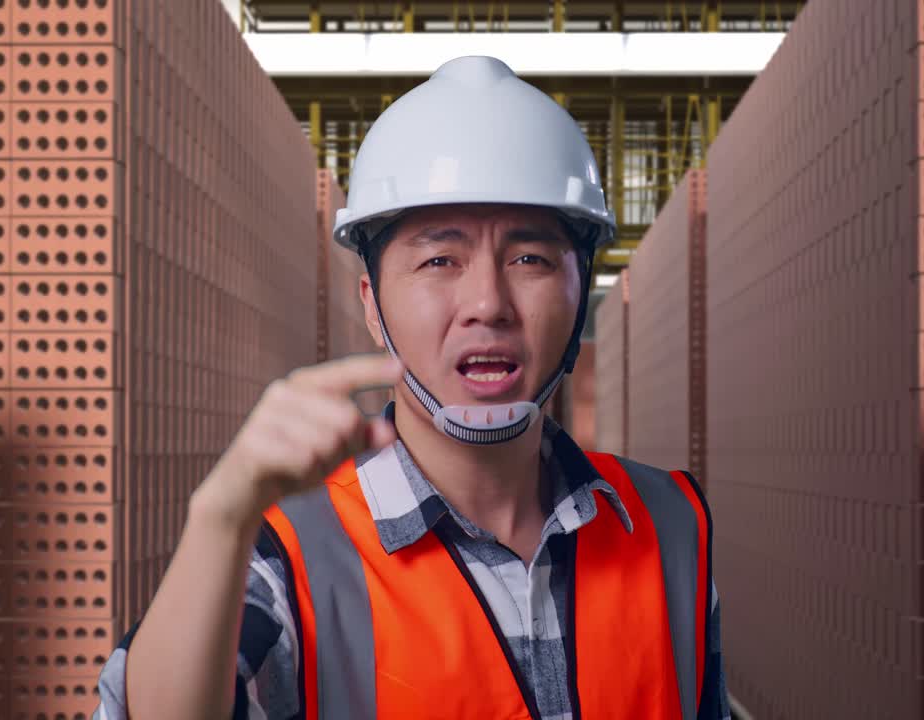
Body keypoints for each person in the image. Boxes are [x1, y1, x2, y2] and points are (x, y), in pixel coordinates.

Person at [91, 55, 728, 720]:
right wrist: (219, 517)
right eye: (438, 260)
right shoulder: (290, 556)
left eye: (530, 258)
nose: (488, 302)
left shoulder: (671, 523)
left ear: (581, 288)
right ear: (372, 304)